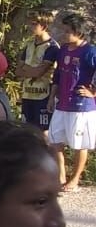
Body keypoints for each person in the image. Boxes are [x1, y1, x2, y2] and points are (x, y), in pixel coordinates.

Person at [44, 12, 96, 191]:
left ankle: (74, 179)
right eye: (63, 30)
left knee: (80, 145)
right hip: (62, 104)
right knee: (55, 141)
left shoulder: (90, 52)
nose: (64, 34)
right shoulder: (63, 50)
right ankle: (60, 177)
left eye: (67, 31)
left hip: (81, 106)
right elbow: (57, 76)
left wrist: (93, 92)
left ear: (78, 32)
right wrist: (52, 97)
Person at [15, 12, 59, 131]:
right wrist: (32, 70)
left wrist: (29, 70)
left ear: (44, 26)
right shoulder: (29, 45)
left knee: (43, 133)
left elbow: (38, 73)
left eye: (34, 24)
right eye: (29, 23)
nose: (30, 26)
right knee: (27, 131)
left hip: (44, 96)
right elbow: (17, 71)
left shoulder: (52, 47)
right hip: (27, 94)